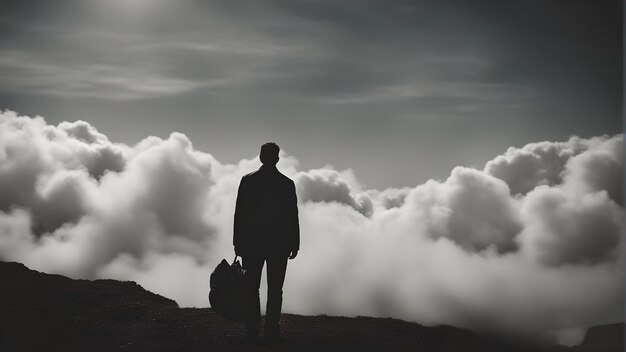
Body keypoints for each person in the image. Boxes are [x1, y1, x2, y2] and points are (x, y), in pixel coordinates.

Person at [233, 142, 300, 344]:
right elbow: (292, 217)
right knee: (275, 289)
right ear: (277, 158)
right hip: (279, 245)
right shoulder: (286, 184)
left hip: (252, 244)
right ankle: (272, 330)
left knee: (251, 287)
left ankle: (253, 330)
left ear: (261, 157)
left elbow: (240, 215)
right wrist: (295, 242)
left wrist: (238, 242)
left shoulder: (248, 181)